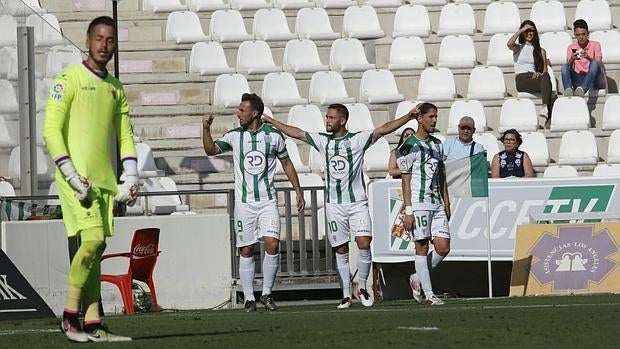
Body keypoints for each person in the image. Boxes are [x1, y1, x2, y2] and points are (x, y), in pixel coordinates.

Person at [263, 104, 419, 309]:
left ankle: (362, 286)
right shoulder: (323, 141)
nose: (327, 120)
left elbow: (383, 129)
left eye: (331, 118)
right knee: (341, 249)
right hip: (334, 206)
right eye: (326, 117)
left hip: (357, 203)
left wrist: (408, 116)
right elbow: (298, 133)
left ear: (342, 121)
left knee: (364, 242)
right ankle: (346, 294)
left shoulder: (357, 140)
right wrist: (273, 121)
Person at [43, 16, 135, 342]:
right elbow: (50, 130)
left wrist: (131, 176)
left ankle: (94, 321)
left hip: (103, 181)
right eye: (99, 38)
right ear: (87, 40)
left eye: (110, 40)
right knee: (93, 240)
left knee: (96, 248)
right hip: (74, 180)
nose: (104, 45)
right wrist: (69, 173)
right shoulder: (67, 79)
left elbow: (125, 135)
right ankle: (70, 316)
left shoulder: (115, 88)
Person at [202, 93, 305, 313]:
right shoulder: (234, 136)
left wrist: (298, 190)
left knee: (273, 244)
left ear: (254, 113)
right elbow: (210, 150)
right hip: (244, 203)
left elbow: (286, 163)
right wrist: (205, 129)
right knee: (246, 249)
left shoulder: (274, 136)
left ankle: (267, 293)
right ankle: (249, 298)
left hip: (267, 200)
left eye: (242, 110)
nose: (238, 114)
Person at [397, 102, 450, 306]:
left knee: (443, 247)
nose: (434, 120)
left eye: (436, 116)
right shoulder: (408, 145)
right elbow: (405, 180)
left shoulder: (438, 144)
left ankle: (416, 278)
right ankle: (429, 295)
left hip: (436, 202)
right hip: (418, 203)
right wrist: (408, 210)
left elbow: (441, 175)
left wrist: (446, 200)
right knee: (421, 245)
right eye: (430, 117)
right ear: (420, 119)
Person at [507, 20, 556, 124]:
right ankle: (549, 117)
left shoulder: (541, 50)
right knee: (550, 90)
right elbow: (509, 43)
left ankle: (544, 108)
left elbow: (545, 71)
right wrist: (522, 29)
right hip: (522, 79)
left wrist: (539, 74)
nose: (529, 33)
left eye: (531, 31)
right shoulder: (518, 47)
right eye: (526, 31)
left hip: (535, 78)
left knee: (547, 78)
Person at [561, 19, 602, 97]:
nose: (581, 37)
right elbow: (568, 67)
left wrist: (588, 57)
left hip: (593, 79)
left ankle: (582, 89)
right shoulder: (571, 47)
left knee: (594, 63)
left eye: (583, 34)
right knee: (565, 66)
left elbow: (598, 62)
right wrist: (571, 59)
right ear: (575, 35)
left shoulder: (595, 44)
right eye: (578, 35)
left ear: (588, 34)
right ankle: (568, 89)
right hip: (578, 78)